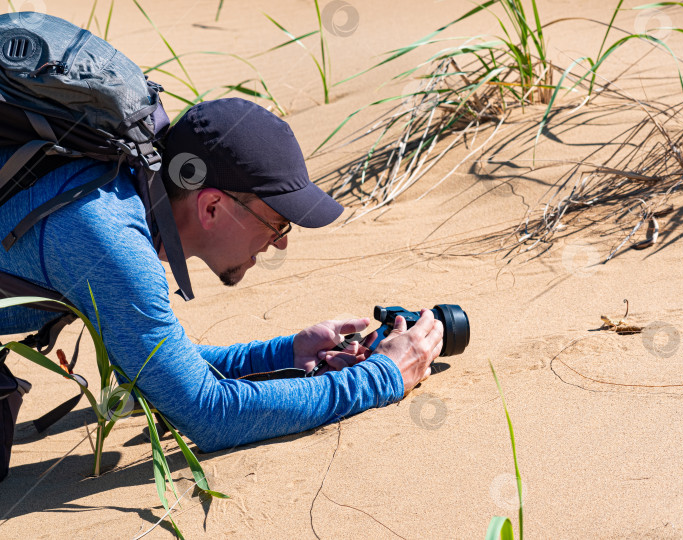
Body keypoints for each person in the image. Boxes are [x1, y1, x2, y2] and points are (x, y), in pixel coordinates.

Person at [0, 98, 442, 452]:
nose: (281, 242)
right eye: (277, 222)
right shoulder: (108, 236)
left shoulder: (114, 195)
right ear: (211, 207)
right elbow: (209, 414)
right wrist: (383, 376)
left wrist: (285, 354)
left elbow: (163, 368)